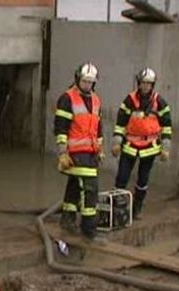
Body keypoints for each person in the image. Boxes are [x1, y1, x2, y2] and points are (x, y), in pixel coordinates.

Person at [111, 67, 172, 219]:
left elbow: (167, 126)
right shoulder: (130, 100)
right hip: (130, 145)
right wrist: (117, 143)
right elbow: (120, 123)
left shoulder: (160, 102)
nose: (145, 86)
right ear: (138, 83)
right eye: (143, 83)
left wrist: (165, 149)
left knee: (142, 180)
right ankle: (117, 208)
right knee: (121, 177)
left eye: (148, 83)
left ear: (152, 85)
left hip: (149, 148)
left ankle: (137, 208)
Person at [54, 62, 105, 241]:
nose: (87, 85)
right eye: (85, 82)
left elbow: (98, 127)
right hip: (75, 153)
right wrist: (62, 152)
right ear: (78, 79)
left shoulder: (96, 100)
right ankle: (89, 229)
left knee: (75, 185)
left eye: (91, 83)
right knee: (91, 189)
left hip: (90, 152)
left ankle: (67, 219)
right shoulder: (67, 98)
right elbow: (61, 127)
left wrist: (100, 149)